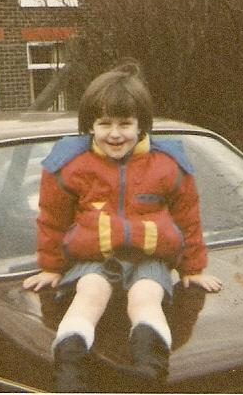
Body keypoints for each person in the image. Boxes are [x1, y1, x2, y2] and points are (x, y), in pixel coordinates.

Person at [23, 61, 222, 392]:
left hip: (150, 258)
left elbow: (188, 216)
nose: (115, 133)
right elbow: (52, 219)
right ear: (90, 125)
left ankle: (150, 371)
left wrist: (194, 268)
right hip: (93, 259)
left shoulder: (167, 164)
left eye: (125, 123)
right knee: (88, 295)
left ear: (142, 125)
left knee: (146, 298)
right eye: (104, 123)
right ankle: (69, 374)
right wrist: (51, 267)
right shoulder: (70, 164)